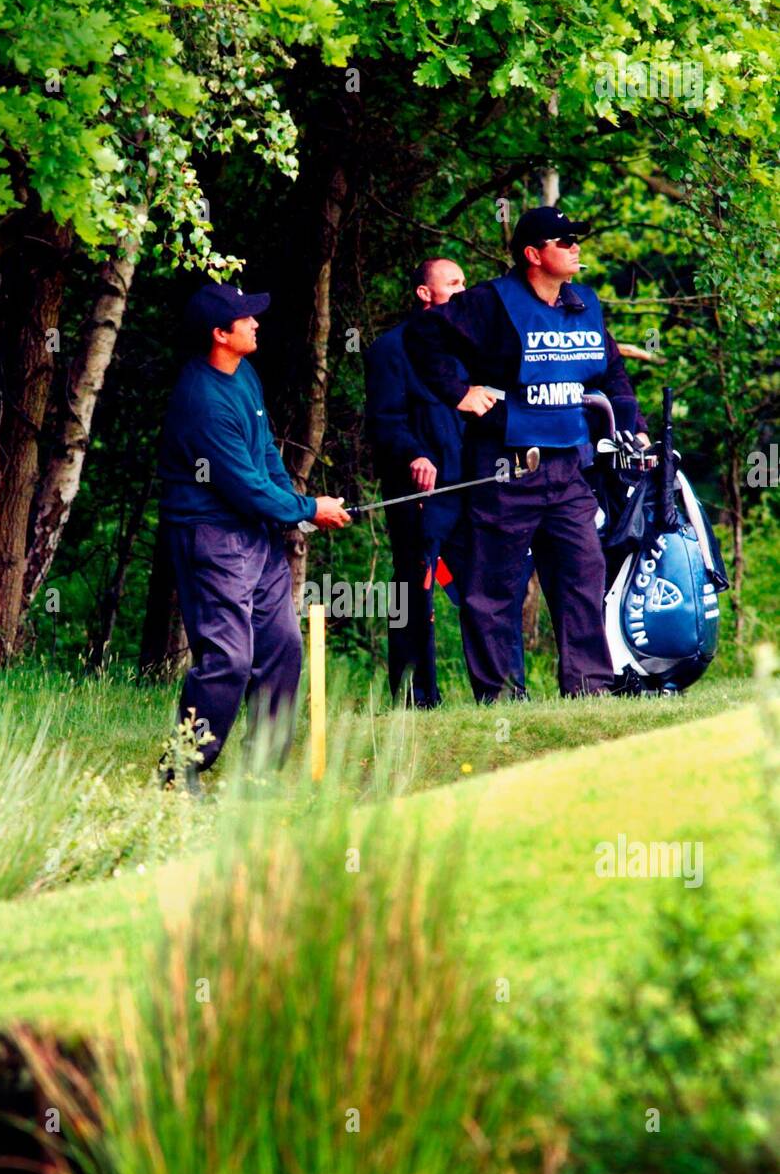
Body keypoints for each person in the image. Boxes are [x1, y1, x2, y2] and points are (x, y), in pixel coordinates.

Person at [404, 206, 648, 700]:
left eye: (577, 237)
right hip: (506, 467)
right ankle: (500, 697)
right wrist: (459, 393)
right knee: (493, 590)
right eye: (564, 240)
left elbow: (612, 375)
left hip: (568, 468)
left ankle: (589, 690)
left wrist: (634, 431)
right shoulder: (491, 302)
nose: (575, 246)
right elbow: (421, 335)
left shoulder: (583, 303)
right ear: (534, 254)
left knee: (583, 575)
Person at [157, 281, 349, 787]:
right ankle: (180, 773)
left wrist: (296, 508)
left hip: (255, 534)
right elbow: (242, 486)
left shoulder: (243, 373)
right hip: (212, 539)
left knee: (282, 647)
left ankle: (261, 772)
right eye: (246, 319)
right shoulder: (201, 401)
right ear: (220, 334)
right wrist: (308, 509)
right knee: (230, 659)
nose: (257, 323)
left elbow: (264, 455)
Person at [364, 257, 528, 707]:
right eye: (453, 283)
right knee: (414, 592)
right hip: (420, 493)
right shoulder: (389, 350)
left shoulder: (475, 346)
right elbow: (384, 420)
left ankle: (505, 691)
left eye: (465, 282)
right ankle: (415, 699)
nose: (463, 289)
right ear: (424, 294)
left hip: (477, 487)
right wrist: (413, 455)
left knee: (492, 585)